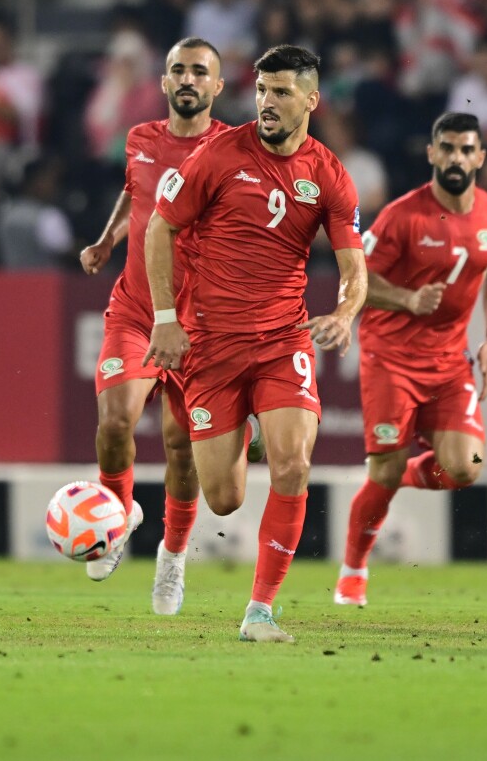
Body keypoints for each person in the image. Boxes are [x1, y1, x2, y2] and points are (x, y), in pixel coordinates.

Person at [144, 44, 367, 642]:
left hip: (282, 338)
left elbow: (353, 264)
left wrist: (345, 312)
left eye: (282, 93)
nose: (266, 102)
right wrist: (166, 316)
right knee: (222, 499)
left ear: (311, 101)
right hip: (212, 347)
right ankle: (241, 426)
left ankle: (260, 611)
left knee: (293, 461)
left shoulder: (327, 174)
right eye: (263, 90)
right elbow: (159, 226)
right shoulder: (218, 154)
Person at [76, 37, 241, 615]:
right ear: (165, 82)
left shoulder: (234, 150)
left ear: (218, 86)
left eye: (201, 71)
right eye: (179, 70)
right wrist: (107, 238)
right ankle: (116, 518)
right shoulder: (140, 139)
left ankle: (171, 561)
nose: (189, 79)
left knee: (180, 448)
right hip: (138, 308)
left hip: (202, 323)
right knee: (115, 419)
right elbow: (134, 194)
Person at [333, 112, 487, 607]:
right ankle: (353, 569)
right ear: (432, 153)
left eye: (466, 149)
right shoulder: (402, 216)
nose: (456, 157)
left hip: (449, 360)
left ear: (480, 157)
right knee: (382, 476)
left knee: (468, 466)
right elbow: (358, 281)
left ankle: (406, 471)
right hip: (390, 358)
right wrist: (409, 301)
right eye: (448, 148)